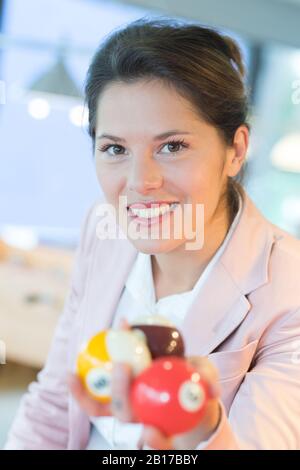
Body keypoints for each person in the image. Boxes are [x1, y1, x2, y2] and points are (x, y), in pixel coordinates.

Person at [4, 17, 300, 450]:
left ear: (235, 150)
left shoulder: (289, 289)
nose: (141, 181)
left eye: (172, 146)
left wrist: (202, 432)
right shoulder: (101, 229)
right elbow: (54, 400)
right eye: (115, 149)